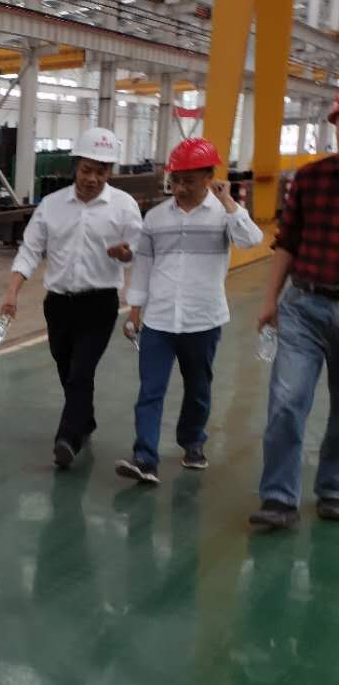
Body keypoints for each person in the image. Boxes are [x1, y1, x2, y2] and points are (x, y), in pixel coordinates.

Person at [116, 138, 263, 485]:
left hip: (203, 319)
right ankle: (145, 457)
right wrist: (134, 311)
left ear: (209, 177)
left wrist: (229, 202)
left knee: (198, 388)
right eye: (176, 180)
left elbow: (252, 239)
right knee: (150, 389)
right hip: (159, 319)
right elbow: (143, 266)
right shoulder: (155, 218)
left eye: (189, 181)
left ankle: (193, 442)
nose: (180, 188)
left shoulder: (223, 215)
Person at [0, 126, 143, 468]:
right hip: (59, 304)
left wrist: (126, 254)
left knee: (81, 372)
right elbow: (30, 250)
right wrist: (12, 292)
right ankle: (85, 420)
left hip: (100, 304)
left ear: (110, 172)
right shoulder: (51, 206)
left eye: (101, 172)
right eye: (87, 170)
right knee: (66, 369)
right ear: (75, 166)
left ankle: (67, 439)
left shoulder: (124, 207)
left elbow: (139, 252)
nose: (93, 178)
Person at [250, 91, 339, 531]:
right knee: (287, 401)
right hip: (304, 305)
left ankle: (334, 488)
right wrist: (270, 300)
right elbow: (287, 242)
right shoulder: (310, 178)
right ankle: (279, 497)